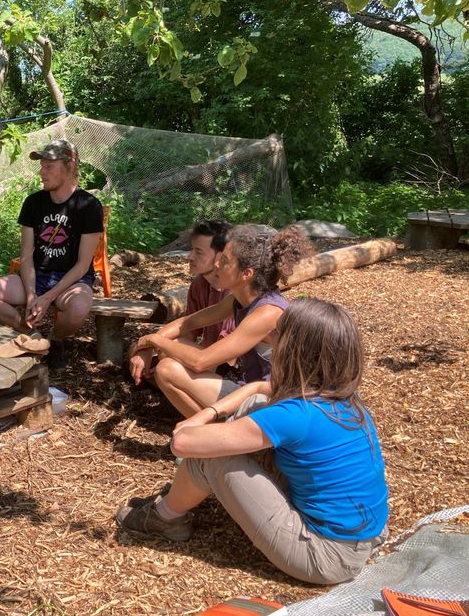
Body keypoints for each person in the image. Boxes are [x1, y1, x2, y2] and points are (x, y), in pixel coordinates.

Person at [115, 298, 390, 585]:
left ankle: (166, 516)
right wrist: (222, 406)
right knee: (256, 403)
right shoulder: (340, 396)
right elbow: (261, 389)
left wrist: (201, 421)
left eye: (277, 335)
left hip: (325, 555)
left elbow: (182, 442)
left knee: (212, 456)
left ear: (294, 350)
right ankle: (182, 496)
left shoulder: (295, 415)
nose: (269, 339)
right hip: (364, 536)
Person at [128, 224, 313, 416]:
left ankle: (221, 437)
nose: (216, 265)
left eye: (224, 261)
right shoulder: (239, 299)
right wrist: (148, 349)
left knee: (166, 369)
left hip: (271, 403)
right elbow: (187, 323)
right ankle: (216, 430)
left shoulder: (268, 312)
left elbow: (201, 361)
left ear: (246, 274)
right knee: (173, 346)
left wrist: (151, 340)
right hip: (244, 384)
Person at [0, 139, 103, 369]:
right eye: (41, 166)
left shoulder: (88, 206)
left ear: (70, 167)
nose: (41, 173)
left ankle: (56, 340)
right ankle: (34, 335)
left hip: (72, 280)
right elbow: (25, 256)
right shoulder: (33, 202)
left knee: (79, 308)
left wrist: (48, 297)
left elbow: (83, 265)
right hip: (37, 276)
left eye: (49, 167)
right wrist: (33, 295)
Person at [128, 219, 233, 381]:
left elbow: (226, 356)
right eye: (192, 250)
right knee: (137, 350)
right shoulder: (199, 284)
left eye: (199, 252)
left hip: (225, 365)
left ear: (220, 257)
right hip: (204, 356)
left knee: (165, 359)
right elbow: (188, 328)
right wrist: (147, 348)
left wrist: (157, 345)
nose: (190, 257)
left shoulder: (233, 291)